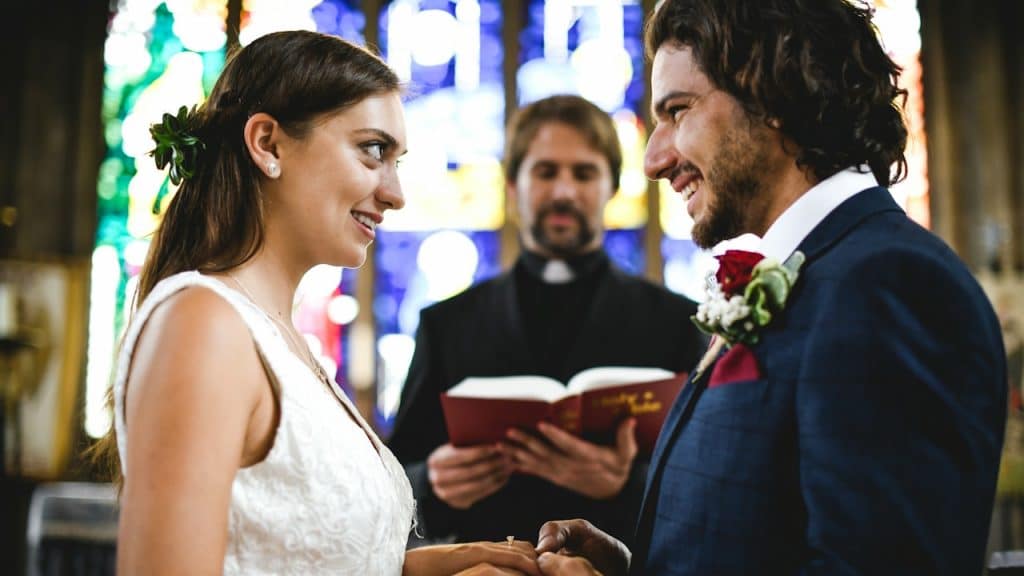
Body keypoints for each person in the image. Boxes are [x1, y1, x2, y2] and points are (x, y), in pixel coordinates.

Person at [534, 1, 1008, 574]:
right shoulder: (823, 271)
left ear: (774, 95)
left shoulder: (889, 284)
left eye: (678, 111)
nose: (655, 160)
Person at [95, 30, 541, 576]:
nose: (396, 193)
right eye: (373, 150)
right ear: (268, 143)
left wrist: (420, 568)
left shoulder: (282, 338)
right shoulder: (203, 323)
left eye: (397, 160)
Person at [387, 95, 706, 547]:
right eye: (545, 171)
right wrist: (433, 484)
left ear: (611, 186)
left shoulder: (678, 323)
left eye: (583, 173)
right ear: (513, 185)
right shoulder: (448, 324)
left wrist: (626, 485)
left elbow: (707, 485)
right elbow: (391, 478)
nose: (563, 191)